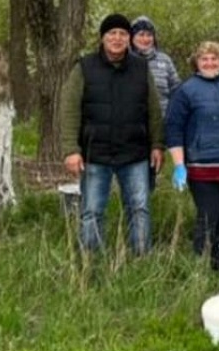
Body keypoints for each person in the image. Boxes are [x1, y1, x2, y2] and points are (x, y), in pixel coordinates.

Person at [59, 13, 164, 255]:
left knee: (139, 208)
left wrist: (157, 144)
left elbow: (154, 109)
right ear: (103, 37)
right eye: (112, 33)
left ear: (129, 39)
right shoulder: (84, 67)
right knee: (92, 210)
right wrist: (71, 150)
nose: (117, 38)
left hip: (135, 153)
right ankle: (91, 262)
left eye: (123, 34)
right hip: (96, 154)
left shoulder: (140, 68)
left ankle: (141, 259)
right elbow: (69, 110)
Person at [166, 41, 219, 270]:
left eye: (214, 58)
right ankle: (202, 260)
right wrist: (179, 165)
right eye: (205, 59)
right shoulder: (186, 90)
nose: (210, 63)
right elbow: (174, 128)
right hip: (201, 164)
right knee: (208, 213)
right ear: (197, 62)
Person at [130, 15, 181, 115]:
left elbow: (177, 90)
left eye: (149, 35)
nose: (145, 39)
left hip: (163, 120)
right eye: (141, 34)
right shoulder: (126, 60)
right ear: (132, 37)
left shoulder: (165, 60)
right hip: (133, 122)